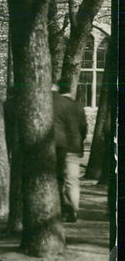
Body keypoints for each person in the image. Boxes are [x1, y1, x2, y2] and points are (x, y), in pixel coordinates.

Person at [52, 82, 88, 222]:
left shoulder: (55, 104)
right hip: (74, 148)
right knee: (72, 181)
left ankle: (62, 208)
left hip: (58, 147)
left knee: (57, 179)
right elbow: (84, 128)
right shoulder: (77, 106)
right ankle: (74, 209)